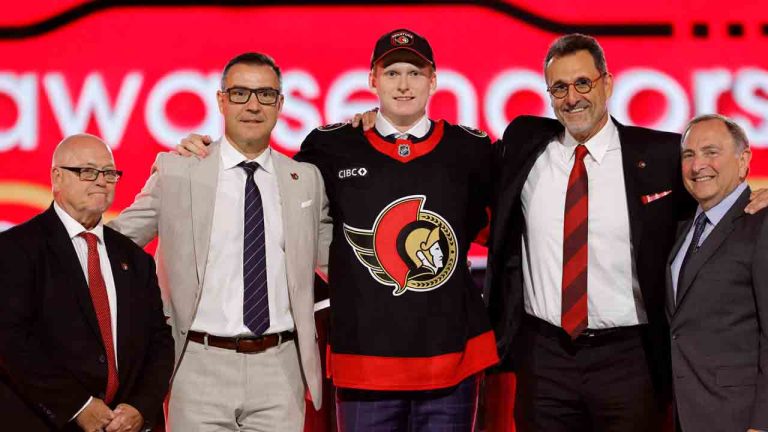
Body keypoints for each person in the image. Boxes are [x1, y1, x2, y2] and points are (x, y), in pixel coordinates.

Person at [178, 29, 499, 431]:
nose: (403, 84)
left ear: (433, 80)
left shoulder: (471, 149)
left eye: (415, 73)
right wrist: (205, 154)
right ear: (371, 80)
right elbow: (264, 183)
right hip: (364, 363)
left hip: (451, 361)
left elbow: (500, 230)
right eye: (392, 72)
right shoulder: (331, 147)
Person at [486, 33, 698, 431]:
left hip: (629, 359)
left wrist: (753, 198)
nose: (572, 98)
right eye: (560, 87)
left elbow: (715, 190)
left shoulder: (661, 156)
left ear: (607, 83)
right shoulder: (524, 145)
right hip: (545, 357)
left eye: (583, 82)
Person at [108, 52, 329, 431]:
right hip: (197, 364)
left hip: (280, 367)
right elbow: (114, 242)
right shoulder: (180, 170)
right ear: (221, 100)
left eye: (265, 94)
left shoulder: (304, 179)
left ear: (281, 104)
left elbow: (340, 259)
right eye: (240, 93)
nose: (253, 105)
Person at [0, 134, 174, 432]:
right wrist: (77, 406)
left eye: (109, 173)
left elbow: (158, 341)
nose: (101, 181)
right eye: (87, 171)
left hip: (122, 425)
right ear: (57, 177)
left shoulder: (135, 259)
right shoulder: (15, 249)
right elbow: (10, 341)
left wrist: (139, 407)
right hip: (43, 421)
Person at [668, 114, 767, 432]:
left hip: (739, 418)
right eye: (689, 155)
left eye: (712, 152)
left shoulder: (761, 223)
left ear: (743, 161)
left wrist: (762, 422)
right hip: (687, 413)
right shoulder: (684, 226)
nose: (698, 166)